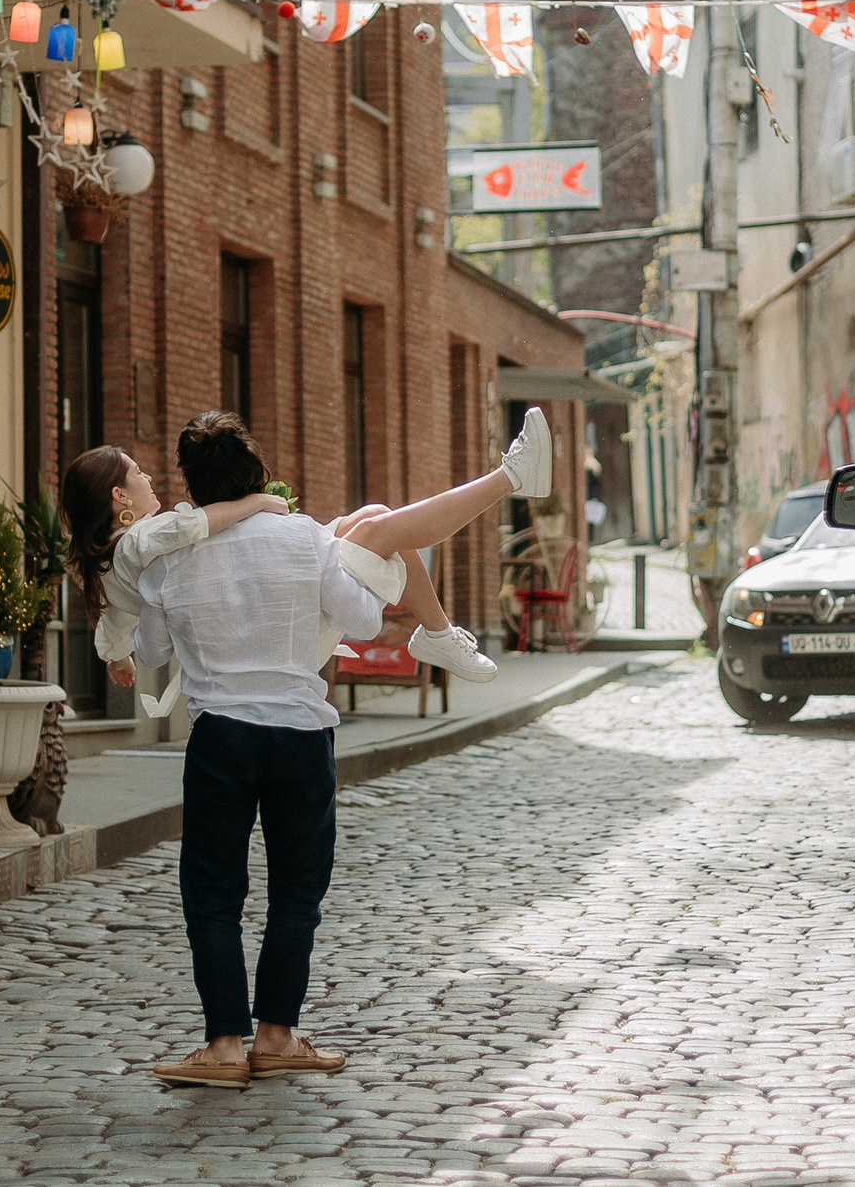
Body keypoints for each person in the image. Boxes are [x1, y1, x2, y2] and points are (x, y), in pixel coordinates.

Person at [118, 413, 391, 1086]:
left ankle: (222, 1047)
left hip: (222, 737)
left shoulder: (174, 554)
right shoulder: (305, 536)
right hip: (300, 731)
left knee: (212, 895)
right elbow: (365, 620)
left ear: (193, 482)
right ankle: (276, 1034)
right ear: (255, 471)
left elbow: (148, 652)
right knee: (298, 891)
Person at [62, 406, 551, 690]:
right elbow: (199, 525)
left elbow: (115, 620)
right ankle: (508, 477)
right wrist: (262, 503)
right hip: (291, 637)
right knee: (381, 531)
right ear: (119, 497)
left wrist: (115, 657)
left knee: (375, 515)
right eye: (137, 473)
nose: (149, 477)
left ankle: (438, 633)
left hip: (260, 634)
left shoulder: (115, 558)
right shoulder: (145, 538)